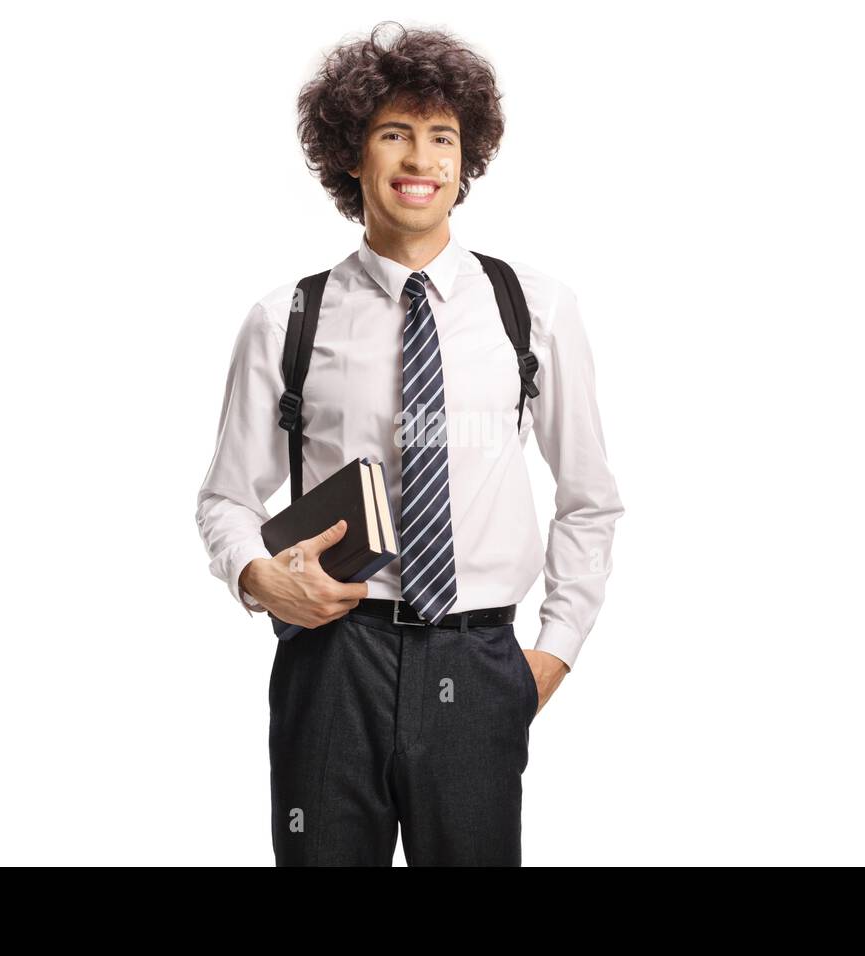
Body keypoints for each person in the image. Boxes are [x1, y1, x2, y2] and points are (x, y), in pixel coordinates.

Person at [195, 21, 624, 865]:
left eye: (441, 138)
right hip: (331, 661)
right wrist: (257, 576)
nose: (420, 160)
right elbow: (225, 499)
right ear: (354, 157)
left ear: (466, 161)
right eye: (394, 135)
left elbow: (590, 495)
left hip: (480, 656)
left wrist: (549, 655)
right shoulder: (287, 318)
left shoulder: (532, 308)